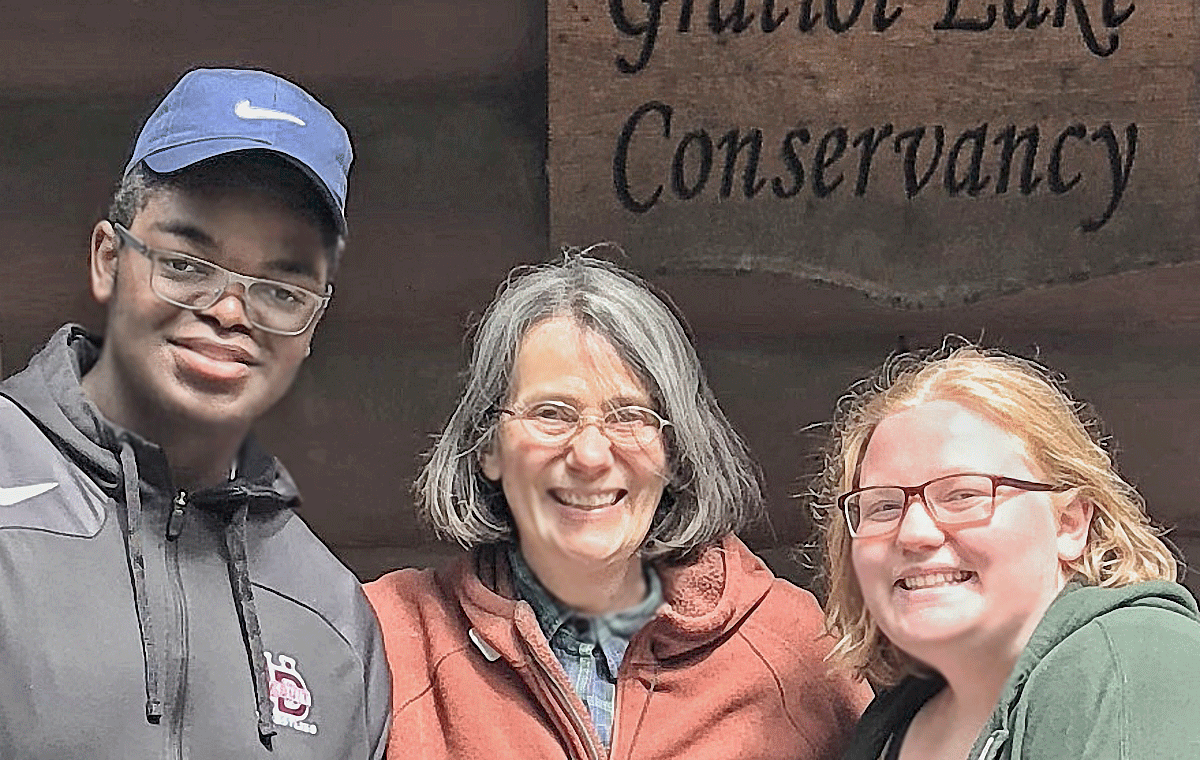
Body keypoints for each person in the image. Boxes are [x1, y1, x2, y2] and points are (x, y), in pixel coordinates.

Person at [0, 68, 389, 759]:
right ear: (108, 259)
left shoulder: (333, 618)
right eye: (186, 264)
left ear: (312, 326)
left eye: (281, 289)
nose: (230, 311)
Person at [365, 251, 871, 760]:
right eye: (551, 413)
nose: (589, 456)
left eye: (629, 416)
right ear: (488, 446)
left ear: (675, 454)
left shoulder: (791, 649)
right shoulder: (387, 640)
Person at [811, 341, 1200, 760]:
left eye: (963, 494)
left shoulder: (1136, 661)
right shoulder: (901, 713)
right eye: (883, 506)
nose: (913, 532)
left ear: (1070, 523)